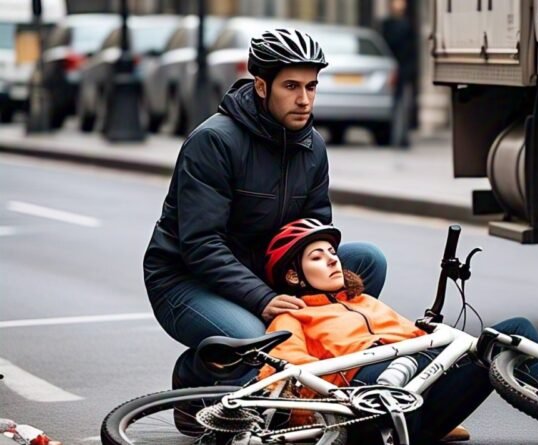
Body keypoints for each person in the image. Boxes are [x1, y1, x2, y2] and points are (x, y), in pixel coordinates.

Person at [142, 29, 387, 391]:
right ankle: (197, 372)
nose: (304, 99)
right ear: (261, 86)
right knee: (259, 342)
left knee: (367, 260)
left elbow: (314, 228)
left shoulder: (312, 146)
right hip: (188, 279)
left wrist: (315, 280)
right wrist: (264, 298)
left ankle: (327, 359)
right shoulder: (214, 141)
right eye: (291, 86)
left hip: (270, 271)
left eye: (311, 87)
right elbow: (201, 244)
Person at [259, 219, 538, 444]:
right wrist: (328, 405)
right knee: (391, 373)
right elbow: (283, 375)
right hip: (368, 401)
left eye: (333, 253)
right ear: (293, 276)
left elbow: (415, 340)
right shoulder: (295, 316)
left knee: (513, 331)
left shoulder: (365, 301)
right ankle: (410, 413)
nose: (333, 259)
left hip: (417, 382)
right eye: (317, 257)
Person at [380, 0, 417, 148]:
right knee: (394, 105)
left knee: (404, 105)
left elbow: (411, 51)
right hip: (390, 69)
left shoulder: (407, 25)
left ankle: (402, 137)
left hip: (403, 70)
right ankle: (394, 137)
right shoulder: (387, 25)